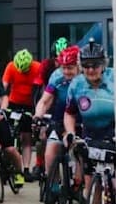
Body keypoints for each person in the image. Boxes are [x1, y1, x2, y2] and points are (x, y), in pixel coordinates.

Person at [63, 41, 115, 204]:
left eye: (95, 65)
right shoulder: (76, 84)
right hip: (90, 135)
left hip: (114, 133)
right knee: (92, 187)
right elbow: (69, 113)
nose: (91, 70)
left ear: (104, 64)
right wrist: (70, 133)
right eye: (86, 66)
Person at [34, 45, 81, 193]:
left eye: (70, 68)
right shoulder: (56, 76)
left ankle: (78, 185)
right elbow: (45, 100)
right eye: (64, 68)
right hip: (59, 118)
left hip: (81, 120)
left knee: (79, 152)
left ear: (78, 67)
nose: (66, 71)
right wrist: (37, 116)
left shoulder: (84, 79)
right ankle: (53, 187)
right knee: (50, 151)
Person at [0, 48, 44, 187]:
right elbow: (3, 88)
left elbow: (40, 90)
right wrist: (2, 108)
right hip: (13, 102)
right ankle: (4, 162)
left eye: (25, 70)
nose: (23, 73)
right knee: (7, 135)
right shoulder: (11, 66)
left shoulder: (37, 67)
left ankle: (26, 169)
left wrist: (37, 110)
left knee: (26, 137)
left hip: (29, 105)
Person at [30, 37, 68, 180]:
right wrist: (37, 114)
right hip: (51, 99)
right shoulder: (46, 66)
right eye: (57, 59)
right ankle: (40, 165)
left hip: (68, 106)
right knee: (42, 137)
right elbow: (38, 90)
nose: (60, 63)